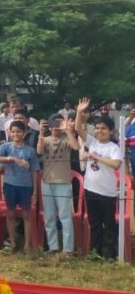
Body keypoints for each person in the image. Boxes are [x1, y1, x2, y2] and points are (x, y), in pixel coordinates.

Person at [75, 98, 122, 260]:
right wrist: (79, 112)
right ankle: (96, 253)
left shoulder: (114, 148)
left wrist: (95, 157)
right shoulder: (92, 142)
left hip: (107, 193)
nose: (99, 131)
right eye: (97, 128)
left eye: (103, 128)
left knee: (109, 224)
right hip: (90, 190)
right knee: (94, 224)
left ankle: (110, 254)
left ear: (111, 131)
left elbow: (116, 164)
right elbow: (78, 129)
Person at [0, 121, 41, 251]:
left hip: (26, 186)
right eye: (13, 132)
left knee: (26, 215)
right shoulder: (6, 147)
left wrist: (35, 191)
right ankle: (12, 242)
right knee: (11, 214)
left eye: (18, 131)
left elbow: (34, 171)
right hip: (10, 185)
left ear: (24, 133)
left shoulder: (30, 151)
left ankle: (27, 245)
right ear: (9, 133)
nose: (15, 134)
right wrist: (12, 159)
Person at [37, 113, 79, 255]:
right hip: (47, 182)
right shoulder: (45, 139)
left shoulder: (66, 139)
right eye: (53, 124)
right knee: (49, 216)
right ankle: (53, 246)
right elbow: (39, 151)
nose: (56, 127)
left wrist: (67, 129)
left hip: (63, 182)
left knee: (65, 216)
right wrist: (41, 133)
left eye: (58, 123)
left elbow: (76, 146)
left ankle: (68, 249)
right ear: (49, 126)